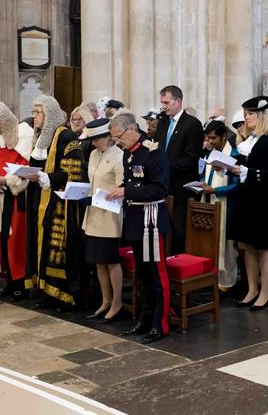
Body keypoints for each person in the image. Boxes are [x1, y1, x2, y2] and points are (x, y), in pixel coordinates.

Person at [106, 113, 171, 343]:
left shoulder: (152, 151)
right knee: (141, 274)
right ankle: (143, 320)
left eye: (118, 137)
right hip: (135, 218)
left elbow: (159, 189)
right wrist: (119, 189)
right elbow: (133, 182)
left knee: (156, 273)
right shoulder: (129, 153)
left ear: (132, 130)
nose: (117, 142)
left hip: (151, 220)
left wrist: (126, 191)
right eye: (114, 139)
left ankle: (159, 323)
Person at [21, 95, 85, 308]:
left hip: (60, 203)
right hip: (39, 199)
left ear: (49, 115)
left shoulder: (66, 136)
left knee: (58, 248)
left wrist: (47, 177)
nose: (35, 116)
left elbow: (73, 172)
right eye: (34, 112)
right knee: (41, 244)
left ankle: (63, 295)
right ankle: (46, 291)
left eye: (38, 112)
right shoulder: (40, 138)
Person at [226, 97, 268, 310]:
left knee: (264, 247)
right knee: (248, 245)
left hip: (262, 199)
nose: (246, 118)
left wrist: (245, 171)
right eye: (246, 114)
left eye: (249, 114)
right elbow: (245, 165)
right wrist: (228, 166)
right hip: (246, 197)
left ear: (260, 116)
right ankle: (252, 289)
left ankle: (266, 291)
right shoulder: (249, 141)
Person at [0, 101, 34, 301]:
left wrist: (6, 180)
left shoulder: (22, 138)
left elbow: (24, 170)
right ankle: (9, 282)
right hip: (1, 197)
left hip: (17, 198)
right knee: (3, 241)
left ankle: (20, 285)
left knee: (16, 241)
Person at [76, 118, 125, 322]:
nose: (94, 143)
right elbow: (93, 181)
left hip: (109, 215)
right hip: (94, 215)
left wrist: (95, 198)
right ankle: (105, 300)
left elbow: (121, 189)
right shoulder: (94, 154)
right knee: (98, 262)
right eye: (92, 140)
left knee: (111, 261)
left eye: (97, 139)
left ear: (108, 136)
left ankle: (117, 302)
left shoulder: (119, 156)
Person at [155, 85, 204, 255]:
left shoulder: (192, 124)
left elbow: (191, 159)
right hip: (163, 186)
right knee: (163, 228)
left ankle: (178, 263)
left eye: (166, 102)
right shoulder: (162, 123)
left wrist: (165, 168)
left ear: (178, 101)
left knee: (178, 230)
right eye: (162, 102)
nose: (163, 106)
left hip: (181, 187)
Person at [195, 121, 239, 291]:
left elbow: (237, 185)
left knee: (226, 246)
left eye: (213, 138)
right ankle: (211, 279)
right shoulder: (210, 154)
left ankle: (226, 283)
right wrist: (200, 184)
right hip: (209, 202)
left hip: (227, 206)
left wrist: (216, 190)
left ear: (223, 137)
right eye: (208, 138)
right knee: (210, 242)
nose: (210, 141)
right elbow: (206, 174)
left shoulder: (234, 155)